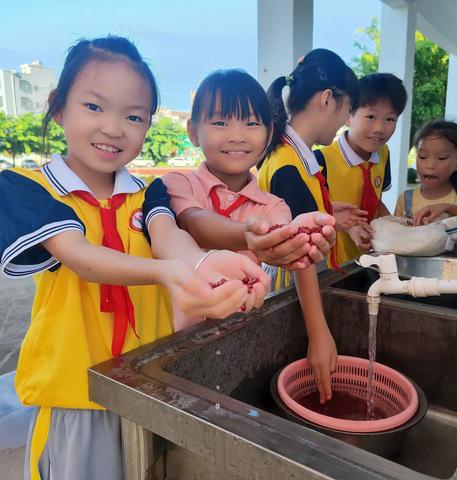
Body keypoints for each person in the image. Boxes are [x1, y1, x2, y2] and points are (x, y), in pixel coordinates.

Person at [0, 37, 269, 480]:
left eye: (133, 116)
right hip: (77, 395)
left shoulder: (151, 192)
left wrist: (205, 265)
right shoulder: (28, 189)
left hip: (149, 387)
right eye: (94, 107)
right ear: (58, 105)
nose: (113, 128)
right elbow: (81, 255)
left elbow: (168, 239)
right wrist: (171, 273)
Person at [163, 69, 337, 403]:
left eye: (251, 123)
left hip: (239, 341)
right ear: (192, 132)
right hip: (175, 346)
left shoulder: (274, 207)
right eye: (220, 123)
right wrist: (248, 235)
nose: (237, 136)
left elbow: (291, 251)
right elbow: (195, 222)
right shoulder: (177, 185)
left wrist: (319, 333)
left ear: (269, 132)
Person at [258, 48, 367, 272]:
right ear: (327, 99)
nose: (346, 121)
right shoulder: (290, 169)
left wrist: (326, 211)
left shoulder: (287, 155)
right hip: (293, 294)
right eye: (347, 109)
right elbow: (302, 267)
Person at [317, 73, 408, 264]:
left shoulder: (383, 154)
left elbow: (376, 202)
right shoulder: (321, 161)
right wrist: (350, 227)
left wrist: (398, 226)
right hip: (332, 263)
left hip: (369, 258)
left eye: (390, 119)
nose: (379, 128)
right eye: (371, 116)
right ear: (348, 116)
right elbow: (313, 215)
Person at [394, 119, 457, 252]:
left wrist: (454, 225)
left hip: (452, 271)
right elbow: (396, 240)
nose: (430, 165)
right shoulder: (405, 200)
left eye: (441, 158)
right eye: (422, 157)